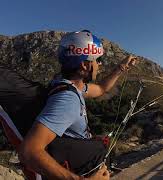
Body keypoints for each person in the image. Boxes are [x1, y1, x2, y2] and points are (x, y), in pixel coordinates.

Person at [17, 30, 137, 180]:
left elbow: (101, 89)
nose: (100, 64)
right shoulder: (67, 99)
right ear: (85, 65)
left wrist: (121, 68)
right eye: (98, 59)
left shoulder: (68, 85)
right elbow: (29, 151)